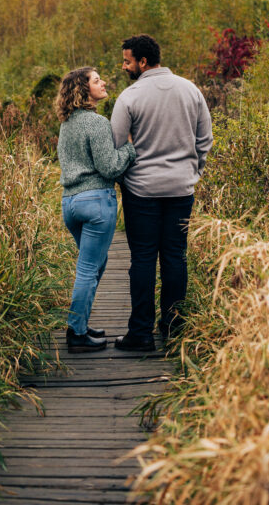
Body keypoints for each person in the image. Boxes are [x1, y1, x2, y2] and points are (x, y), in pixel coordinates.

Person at [110, 34, 213, 351]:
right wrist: (193, 172)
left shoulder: (130, 97)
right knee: (174, 257)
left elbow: (116, 146)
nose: (125, 66)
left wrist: (128, 178)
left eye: (128, 61)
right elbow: (205, 139)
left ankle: (141, 334)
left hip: (141, 191)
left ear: (142, 62)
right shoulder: (190, 90)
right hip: (181, 189)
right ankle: (174, 328)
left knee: (142, 259)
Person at [56, 66, 135, 353]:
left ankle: (81, 323)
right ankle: (76, 334)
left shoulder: (67, 124)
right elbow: (110, 166)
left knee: (94, 266)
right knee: (89, 270)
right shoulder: (97, 122)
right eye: (97, 80)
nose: (103, 83)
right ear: (83, 89)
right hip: (96, 203)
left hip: (70, 203)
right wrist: (129, 148)